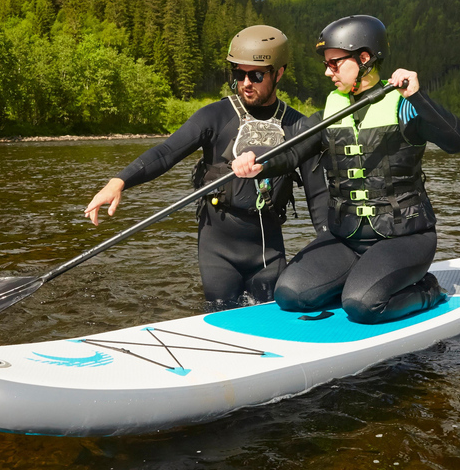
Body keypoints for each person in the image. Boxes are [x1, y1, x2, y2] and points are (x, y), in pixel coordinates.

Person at [231, 14, 460, 324]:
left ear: (365, 58)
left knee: (363, 305)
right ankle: (359, 281)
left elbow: (459, 140)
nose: (327, 71)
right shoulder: (333, 110)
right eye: (326, 64)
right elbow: (289, 151)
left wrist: (418, 96)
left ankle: (427, 289)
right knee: (290, 294)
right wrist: (256, 161)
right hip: (347, 238)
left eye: (334, 63)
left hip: (405, 238)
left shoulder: (404, 106)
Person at [85, 25, 328, 310]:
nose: (246, 82)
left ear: (279, 73)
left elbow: (318, 198)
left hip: (268, 250)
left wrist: (330, 250)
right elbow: (166, 153)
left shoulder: (298, 127)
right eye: (239, 74)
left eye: (256, 75)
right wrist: (119, 182)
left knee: (270, 313)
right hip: (218, 248)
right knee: (220, 309)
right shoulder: (215, 116)